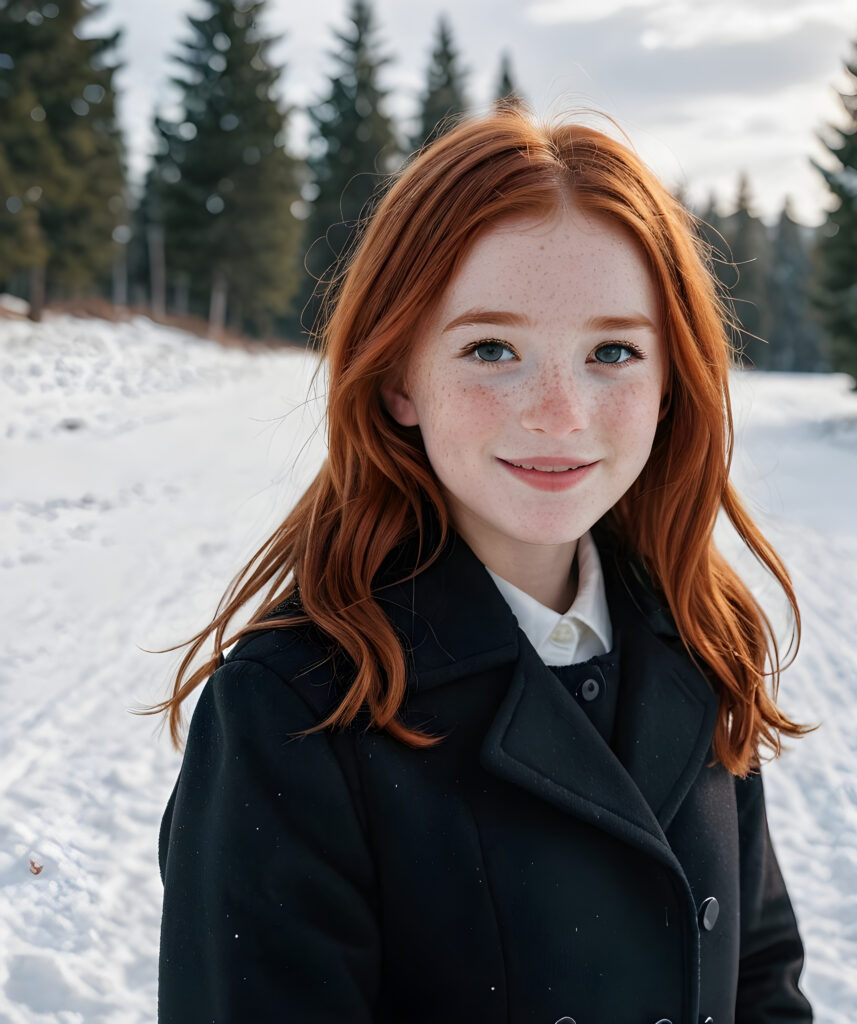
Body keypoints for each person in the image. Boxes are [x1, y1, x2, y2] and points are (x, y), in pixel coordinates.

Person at [154, 105, 814, 1023]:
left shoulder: (695, 638)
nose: (560, 411)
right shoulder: (295, 709)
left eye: (614, 351)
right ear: (397, 379)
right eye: (491, 348)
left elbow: (762, 979)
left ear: (672, 383)